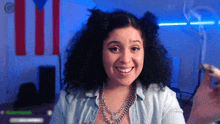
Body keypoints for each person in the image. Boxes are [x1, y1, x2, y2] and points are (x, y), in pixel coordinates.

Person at [50, 8, 220, 124]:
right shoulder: (69, 100)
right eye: (114, 48)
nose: (125, 59)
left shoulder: (163, 100)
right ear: (98, 52)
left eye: (135, 48)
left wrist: (198, 119)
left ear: (146, 52)